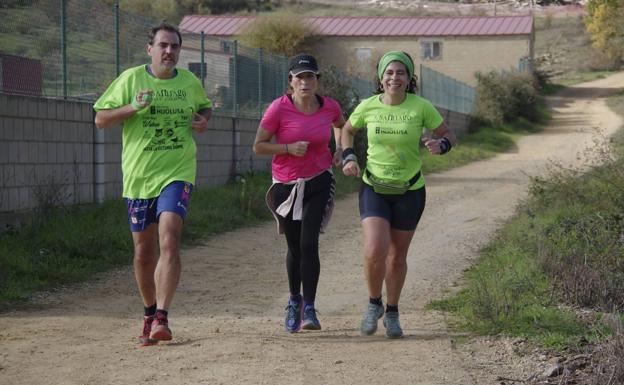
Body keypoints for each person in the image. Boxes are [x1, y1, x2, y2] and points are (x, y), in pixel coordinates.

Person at [93, 23, 212, 346]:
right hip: (139, 177)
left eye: (174, 46)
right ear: (150, 49)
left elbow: (205, 106)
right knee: (143, 253)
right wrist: (133, 107)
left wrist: (203, 121)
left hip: (177, 172)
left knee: (170, 238)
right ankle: (148, 314)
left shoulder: (189, 82)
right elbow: (100, 119)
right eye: (163, 45)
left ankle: (162, 316)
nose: (169, 51)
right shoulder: (131, 79)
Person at [340, 51, 457, 338]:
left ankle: (392, 311)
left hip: (409, 190)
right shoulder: (367, 106)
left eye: (401, 72)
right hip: (374, 186)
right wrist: (348, 157)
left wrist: (442, 145)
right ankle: (373, 304)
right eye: (389, 72)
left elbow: (449, 134)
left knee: (396, 257)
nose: (395, 77)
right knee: (373, 250)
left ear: (409, 78)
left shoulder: (421, 107)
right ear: (381, 78)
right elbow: (346, 130)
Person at [253, 53, 345, 333]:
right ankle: (294, 300)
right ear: (291, 81)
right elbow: (258, 145)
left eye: (310, 76)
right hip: (285, 185)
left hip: (319, 180)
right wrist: (287, 149)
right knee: (294, 246)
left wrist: (341, 149)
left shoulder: (329, 106)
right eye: (300, 77)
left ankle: (310, 308)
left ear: (317, 80)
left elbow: (342, 126)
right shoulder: (278, 108)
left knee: (309, 244)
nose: (305, 82)